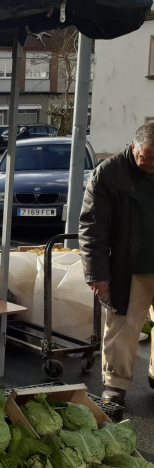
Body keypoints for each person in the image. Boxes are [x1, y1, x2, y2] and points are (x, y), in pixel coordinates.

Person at [79, 123, 154, 406]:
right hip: (128, 266)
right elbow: (92, 227)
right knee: (122, 327)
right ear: (133, 147)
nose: (150, 164)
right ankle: (116, 386)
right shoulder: (109, 174)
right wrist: (97, 272)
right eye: (145, 157)